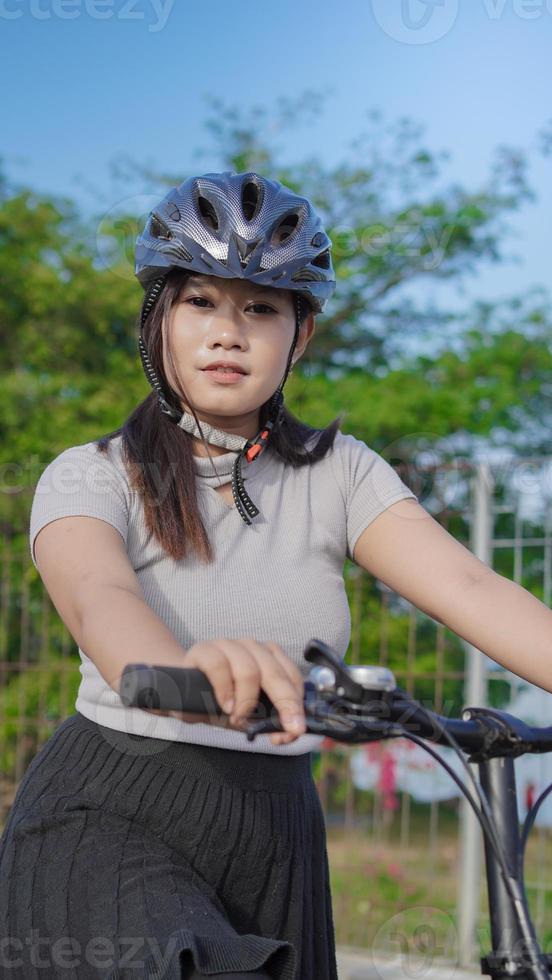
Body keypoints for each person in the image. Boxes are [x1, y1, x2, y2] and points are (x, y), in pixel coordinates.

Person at [0, 168, 422, 979]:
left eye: (261, 308)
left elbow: (475, 591)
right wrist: (183, 667)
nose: (228, 332)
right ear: (157, 321)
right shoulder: (89, 474)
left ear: (301, 336)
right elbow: (99, 598)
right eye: (200, 302)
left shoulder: (344, 474)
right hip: (110, 815)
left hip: (278, 834)